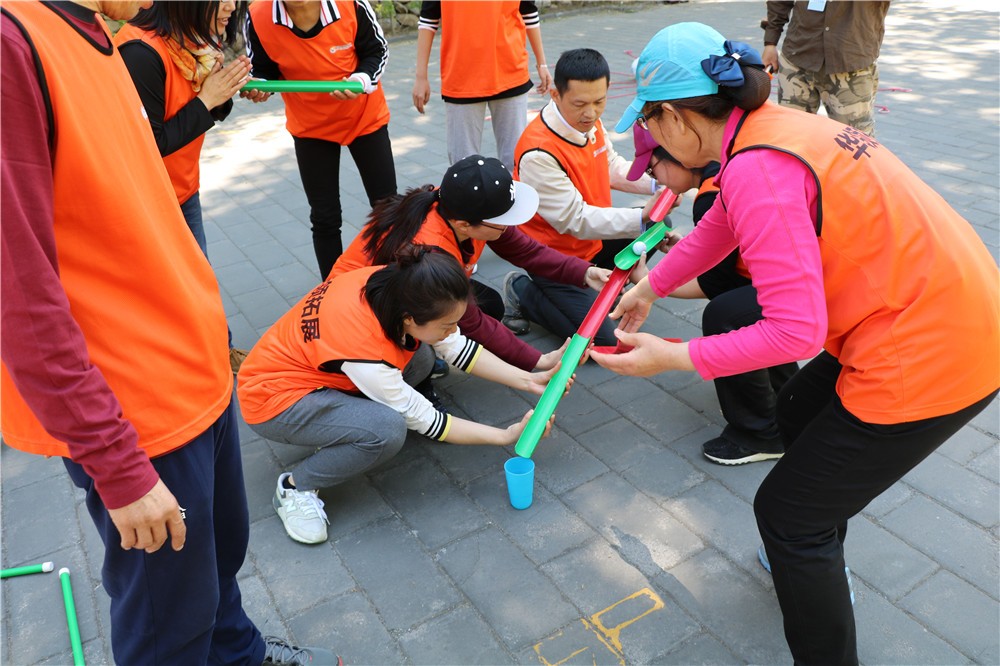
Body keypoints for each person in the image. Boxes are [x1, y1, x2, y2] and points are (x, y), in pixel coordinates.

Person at [599, 22, 999, 664]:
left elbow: (794, 332)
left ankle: (812, 575)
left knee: (788, 517)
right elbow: (725, 221)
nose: (649, 135)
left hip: (931, 349)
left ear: (674, 116)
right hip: (937, 307)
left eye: (648, 122)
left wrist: (675, 358)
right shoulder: (765, 131)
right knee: (794, 415)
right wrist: (654, 287)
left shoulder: (759, 165)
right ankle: (812, 545)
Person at [0, 1, 337, 664]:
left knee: (218, 562)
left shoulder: (102, 32)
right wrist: (115, 463)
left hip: (193, 372)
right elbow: (20, 295)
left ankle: (237, 654)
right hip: (137, 408)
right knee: (167, 621)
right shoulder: (14, 44)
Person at [237, 249, 557, 544]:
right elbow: (426, 420)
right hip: (271, 401)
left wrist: (530, 380)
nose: (453, 330)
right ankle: (294, 487)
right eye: (447, 325)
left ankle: (343, 426)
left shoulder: (399, 286)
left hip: (314, 371)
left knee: (421, 359)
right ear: (408, 319)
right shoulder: (366, 345)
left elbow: (455, 346)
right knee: (387, 430)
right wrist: (505, 436)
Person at [333, 154, 613, 372]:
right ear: (464, 225)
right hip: (356, 315)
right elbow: (473, 323)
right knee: (425, 349)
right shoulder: (431, 253)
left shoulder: (463, 203)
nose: (511, 226)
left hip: (403, 290)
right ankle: (420, 376)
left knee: (489, 305)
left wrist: (586, 272)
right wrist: (538, 360)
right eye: (504, 222)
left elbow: (528, 251)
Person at [628, 125, 798, 465]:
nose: (657, 182)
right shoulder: (722, 167)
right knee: (740, 304)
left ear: (675, 156)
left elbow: (715, 284)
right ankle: (791, 396)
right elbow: (724, 255)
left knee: (725, 315)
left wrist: (647, 281)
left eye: (653, 170)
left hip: (804, 283)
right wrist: (683, 259)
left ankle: (760, 433)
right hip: (805, 267)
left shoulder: (708, 197)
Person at [116, 0, 253, 373]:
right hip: (152, 199)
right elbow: (150, 144)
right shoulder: (141, 52)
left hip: (182, 187)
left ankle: (216, 353)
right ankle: (196, 363)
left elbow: (204, 111)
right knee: (179, 287)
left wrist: (223, 91)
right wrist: (208, 98)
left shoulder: (191, 41)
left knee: (200, 278)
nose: (231, 7)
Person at [509, 47, 661, 347]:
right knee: (603, 341)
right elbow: (574, 220)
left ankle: (603, 286)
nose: (591, 113)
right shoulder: (538, 152)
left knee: (659, 222)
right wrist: (641, 215)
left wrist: (658, 186)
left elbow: (612, 166)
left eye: (599, 101)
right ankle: (522, 291)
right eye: (579, 104)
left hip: (593, 242)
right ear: (555, 94)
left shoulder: (589, 122)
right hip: (557, 258)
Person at [246, 0, 397, 278]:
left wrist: (361, 79)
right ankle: (331, 289)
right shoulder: (258, 15)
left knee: (387, 207)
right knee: (324, 216)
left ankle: (399, 277)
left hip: (363, 115)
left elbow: (377, 50)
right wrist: (260, 85)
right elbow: (263, 67)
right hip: (310, 124)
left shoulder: (350, 5)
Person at [412, 0, 551, 171]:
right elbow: (428, 21)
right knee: (462, 170)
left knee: (516, 165)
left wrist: (542, 63)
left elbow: (528, 12)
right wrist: (420, 77)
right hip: (461, 78)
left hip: (510, 71)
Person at [761, 0, 890, 137]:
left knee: (854, 143)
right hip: (798, 56)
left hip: (849, 64)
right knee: (790, 137)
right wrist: (770, 43)